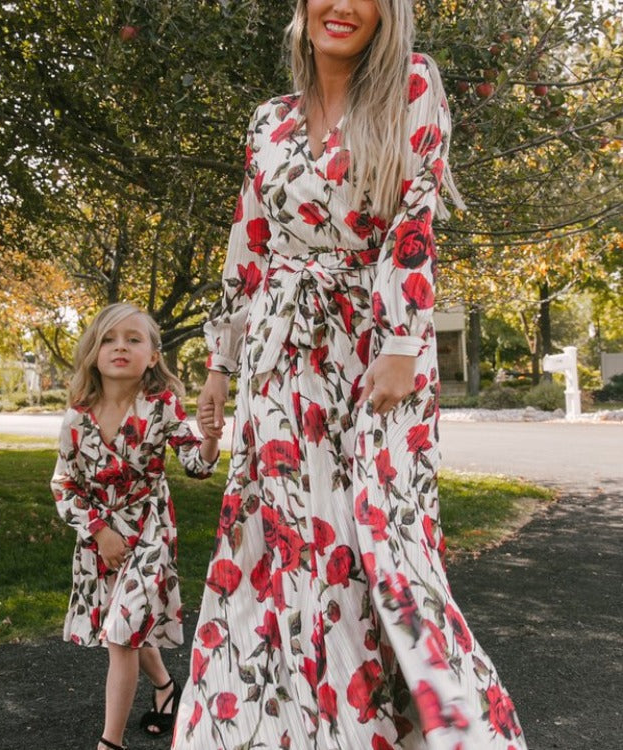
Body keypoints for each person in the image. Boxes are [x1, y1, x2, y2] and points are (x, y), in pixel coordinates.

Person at [173, 1, 526, 749]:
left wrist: (402, 339)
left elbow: (415, 213)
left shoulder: (410, 86)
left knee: (380, 546)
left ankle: (432, 730)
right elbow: (250, 238)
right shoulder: (266, 120)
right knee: (278, 543)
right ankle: (287, 728)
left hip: (375, 348)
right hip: (277, 357)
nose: (344, 5)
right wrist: (220, 358)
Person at [50, 302, 221, 750]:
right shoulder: (76, 418)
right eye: (109, 339)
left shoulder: (162, 406)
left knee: (123, 634)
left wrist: (210, 440)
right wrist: (99, 533)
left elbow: (195, 466)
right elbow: (64, 485)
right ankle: (165, 687)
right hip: (100, 538)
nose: (120, 347)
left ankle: (110, 743)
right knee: (123, 625)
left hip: (149, 533)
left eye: (133, 339)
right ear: (93, 352)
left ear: (152, 355)